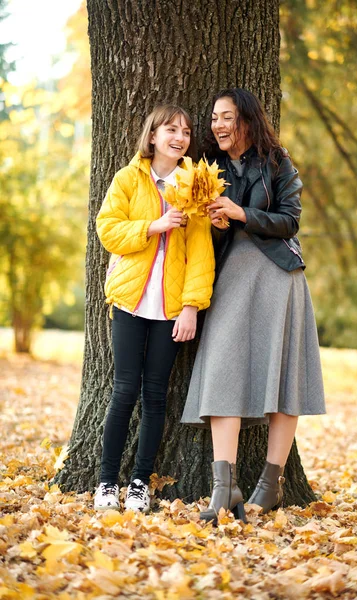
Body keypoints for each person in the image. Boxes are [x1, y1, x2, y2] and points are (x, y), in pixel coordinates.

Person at [181, 88, 325, 523]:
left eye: (226, 117)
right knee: (222, 368)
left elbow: (290, 220)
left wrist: (241, 213)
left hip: (280, 277)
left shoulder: (278, 162)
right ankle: (223, 487)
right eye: (213, 119)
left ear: (246, 119)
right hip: (231, 279)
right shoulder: (211, 168)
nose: (218, 126)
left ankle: (270, 484)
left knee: (285, 379)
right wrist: (220, 223)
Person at [94, 104, 215, 512]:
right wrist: (152, 226)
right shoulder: (128, 178)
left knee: (156, 395)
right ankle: (107, 483)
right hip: (129, 301)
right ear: (152, 136)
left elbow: (201, 253)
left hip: (170, 310)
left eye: (185, 131)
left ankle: (140, 484)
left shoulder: (195, 185)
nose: (179, 137)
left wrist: (191, 307)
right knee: (124, 390)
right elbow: (107, 229)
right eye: (171, 129)